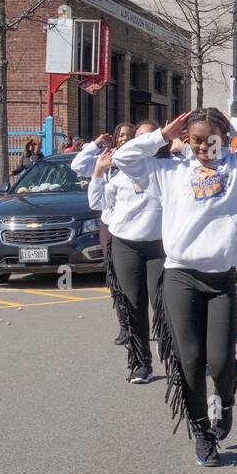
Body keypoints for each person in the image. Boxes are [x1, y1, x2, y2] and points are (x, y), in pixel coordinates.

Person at [114, 108, 237, 467]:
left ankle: (225, 403)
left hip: (221, 280)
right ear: (186, 140)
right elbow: (123, 157)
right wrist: (162, 135)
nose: (203, 147)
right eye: (195, 140)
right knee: (190, 361)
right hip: (180, 277)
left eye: (211, 139)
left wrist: (234, 122)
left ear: (223, 137)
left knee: (221, 361)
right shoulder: (169, 171)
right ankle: (202, 432)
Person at [87, 139, 164, 383]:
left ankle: (177, 357)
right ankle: (142, 363)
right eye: (137, 138)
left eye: (148, 137)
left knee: (164, 304)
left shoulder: (165, 171)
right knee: (133, 305)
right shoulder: (119, 178)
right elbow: (98, 203)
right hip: (125, 245)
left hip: (160, 247)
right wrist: (98, 172)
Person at [72, 123, 140, 345]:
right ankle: (125, 326)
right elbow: (77, 164)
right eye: (121, 135)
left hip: (137, 227)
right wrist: (95, 145)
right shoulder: (106, 158)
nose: (124, 139)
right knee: (116, 278)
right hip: (109, 225)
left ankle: (149, 321)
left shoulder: (141, 161)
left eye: (129, 135)